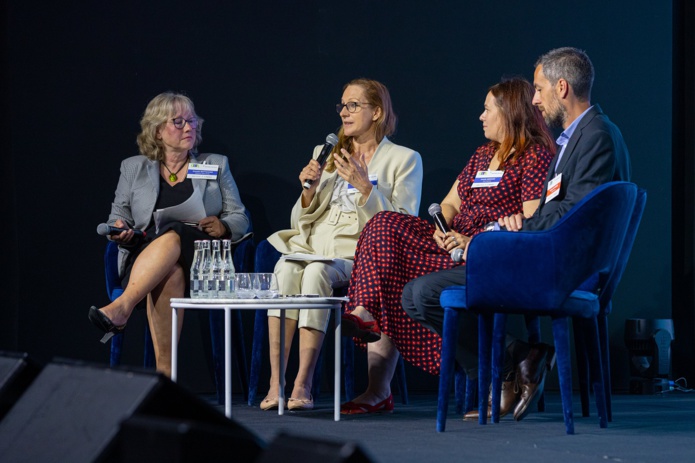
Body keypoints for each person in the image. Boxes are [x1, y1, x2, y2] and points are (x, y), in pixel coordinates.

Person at [403, 47, 631, 422]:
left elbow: (574, 217)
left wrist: (502, 233)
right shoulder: (576, 138)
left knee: (425, 292)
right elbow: (557, 210)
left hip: (560, 268)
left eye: (539, 90)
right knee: (414, 293)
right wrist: (516, 226)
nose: (535, 100)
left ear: (562, 87)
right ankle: (519, 359)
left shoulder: (596, 136)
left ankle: (505, 370)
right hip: (546, 254)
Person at [340, 77, 556, 415]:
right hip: (451, 246)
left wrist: (476, 240)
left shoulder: (533, 158)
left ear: (511, 113)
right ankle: (364, 311)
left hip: (488, 255)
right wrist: (443, 228)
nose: (480, 117)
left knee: (412, 291)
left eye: (487, 110)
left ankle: (501, 368)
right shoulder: (482, 155)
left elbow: (531, 225)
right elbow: (448, 205)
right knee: (383, 223)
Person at [259, 78, 423, 412]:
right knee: (285, 268)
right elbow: (301, 219)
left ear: (376, 112)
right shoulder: (330, 156)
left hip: (357, 255)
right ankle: (276, 383)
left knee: (315, 273)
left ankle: (303, 384)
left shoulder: (404, 159)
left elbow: (403, 224)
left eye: (353, 105)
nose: (344, 112)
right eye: (342, 106)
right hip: (313, 245)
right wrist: (308, 190)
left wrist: (367, 189)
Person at [88, 92, 250, 376]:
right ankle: (166, 378)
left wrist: (224, 226)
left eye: (192, 121)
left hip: (202, 259)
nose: (189, 128)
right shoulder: (133, 168)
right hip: (147, 259)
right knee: (170, 271)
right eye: (178, 122)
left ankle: (122, 306)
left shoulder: (216, 164)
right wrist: (120, 230)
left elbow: (240, 217)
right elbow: (119, 215)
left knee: (175, 230)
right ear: (158, 131)